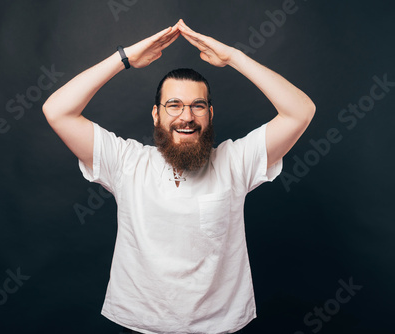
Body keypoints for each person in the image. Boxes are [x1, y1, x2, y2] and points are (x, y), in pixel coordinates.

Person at [43, 19, 315, 334]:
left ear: (210, 114)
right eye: (174, 105)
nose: (186, 117)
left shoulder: (235, 162)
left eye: (197, 106)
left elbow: (300, 111)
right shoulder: (128, 163)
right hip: (139, 326)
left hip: (220, 328)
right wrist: (125, 58)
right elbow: (57, 111)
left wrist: (233, 58)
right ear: (156, 114)